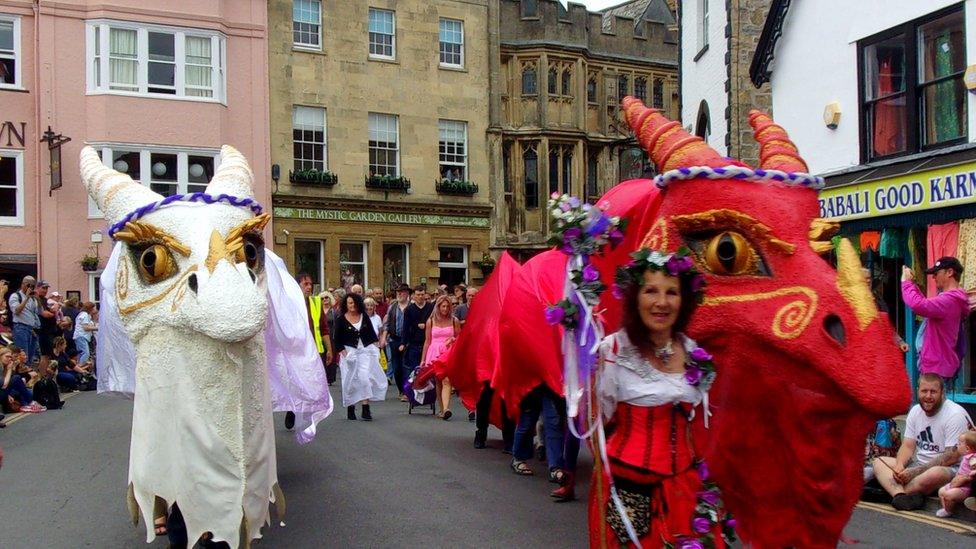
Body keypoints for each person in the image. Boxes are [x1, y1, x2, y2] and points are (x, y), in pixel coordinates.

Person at [590, 249, 728, 547]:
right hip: (629, 491)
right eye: (650, 291)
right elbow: (600, 422)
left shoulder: (694, 353)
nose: (662, 302)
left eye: (672, 293)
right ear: (635, 298)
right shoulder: (614, 352)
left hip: (686, 489)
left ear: (684, 300)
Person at [872, 373, 974, 510]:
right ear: (917, 391)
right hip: (919, 465)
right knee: (879, 462)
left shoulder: (954, 414)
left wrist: (915, 472)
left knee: (934, 474)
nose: (928, 396)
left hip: (950, 469)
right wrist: (899, 465)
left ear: (943, 393)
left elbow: (952, 456)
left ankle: (887, 492)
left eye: (933, 392)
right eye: (924, 391)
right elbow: (908, 446)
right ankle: (900, 496)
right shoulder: (915, 411)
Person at [901, 259, 969, 381]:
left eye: (936, 273)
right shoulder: (953, 299)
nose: (933, 277)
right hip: (940, 365)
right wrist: (913, 286)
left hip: (936, 367)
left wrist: (906, 283)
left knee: (930, 399)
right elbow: (925, 306)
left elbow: (918, 305)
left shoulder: (949, 300)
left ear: (949, 272)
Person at [286, 274, 334, 430]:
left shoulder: (315, 302)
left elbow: (324, 328)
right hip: (296, 350)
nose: (309, 287)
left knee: (311, 380)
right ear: (297, 285)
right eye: (305, 284)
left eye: (310, 284)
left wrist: (329, 349)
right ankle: (292, 408)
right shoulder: (290, 302)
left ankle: (307, 410)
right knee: (295, 380)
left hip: (314, 349)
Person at [331, 293, 388, 421]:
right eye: (350, 303)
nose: (352, 305)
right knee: (350, 380)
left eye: (354, 303)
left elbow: (372, 336)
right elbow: (337, 339)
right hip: (349, 352)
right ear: (346, 304)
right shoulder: (341, 319)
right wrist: (345, 354)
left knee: (364, 378)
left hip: (364, 351)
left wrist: (377, 348)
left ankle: (365, 408)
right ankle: (351, 407)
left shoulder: (364, 317)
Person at [420, 295, 459, 420]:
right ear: (438, 307)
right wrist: (423, 359)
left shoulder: (454, 320)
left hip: (449, 352)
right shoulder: (431, 321)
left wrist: (453, 339)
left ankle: (446, 408)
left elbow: (460, 338)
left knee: (447, 380)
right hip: (435, 352)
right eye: (443, 306)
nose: (445, 309)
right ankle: (442, 409)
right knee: (438, 381)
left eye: (448, 306)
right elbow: (427, 341)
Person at [936, 431, 976, 517]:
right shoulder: (966, 457)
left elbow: (974, 469)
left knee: (948, 495)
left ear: (967, 449)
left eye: (960, 443)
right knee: (941, 491)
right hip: (958, 482)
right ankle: (947, 509)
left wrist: (972, 473)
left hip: (965, 487)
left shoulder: (973, 458)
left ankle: (949, 510)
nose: (957, 445)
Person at [401, 286, 433, 387]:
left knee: (427, 369)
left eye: (422, 295)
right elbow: (405, 327)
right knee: (413, 369)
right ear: (414, 296)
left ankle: (427, 390)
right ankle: (413, 390)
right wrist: (403, 343)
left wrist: (426, 324)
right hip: (413, 343)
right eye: (418, 295)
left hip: (428, 343)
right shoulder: (409, 309)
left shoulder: (431, 307)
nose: (420, 297)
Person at [385, 284, 411, 399]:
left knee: (406, 366)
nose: (399, 294)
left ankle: (406, 391)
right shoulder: (393, 307)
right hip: (394, 339)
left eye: (402, 292)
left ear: (407, 293)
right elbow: (387, 323)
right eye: (398, 292)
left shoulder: (411, 306)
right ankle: (401, 389)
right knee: (396, 367)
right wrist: (384, 336)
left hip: (408, 340)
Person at [0, 346, 44, 413]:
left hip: (8, 391)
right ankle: (30, 403)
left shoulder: (5, 366)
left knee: (30, 391)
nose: (9, 359)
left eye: (10, 357)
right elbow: (4, 385)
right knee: (16, 379)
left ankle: (28, 404)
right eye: (7, 356)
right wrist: (10, 369)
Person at [8, 275, 40, 364]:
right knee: (22, 356)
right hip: (20, 328)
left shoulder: (33, 299)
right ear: (23, 284)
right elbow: (17, 311)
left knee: (30, 357)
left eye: (33, 286)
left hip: (32, 329)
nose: (30, 288)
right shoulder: (15, 296)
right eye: (29, 285)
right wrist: (26, 298)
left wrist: (37, 298)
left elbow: (38, 312)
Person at [35, 281, 60, 364]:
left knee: (48, 355)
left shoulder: (45, 300)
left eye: (46, 288)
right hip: (42, 331)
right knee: (43, 355)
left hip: (50, 331)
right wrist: (54, 311)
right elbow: (45, 314)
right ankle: (43, 375)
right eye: (43, 288)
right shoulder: (36, 299)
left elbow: (50, 311)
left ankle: (45, 375)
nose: (45, 290)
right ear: (37, 288)